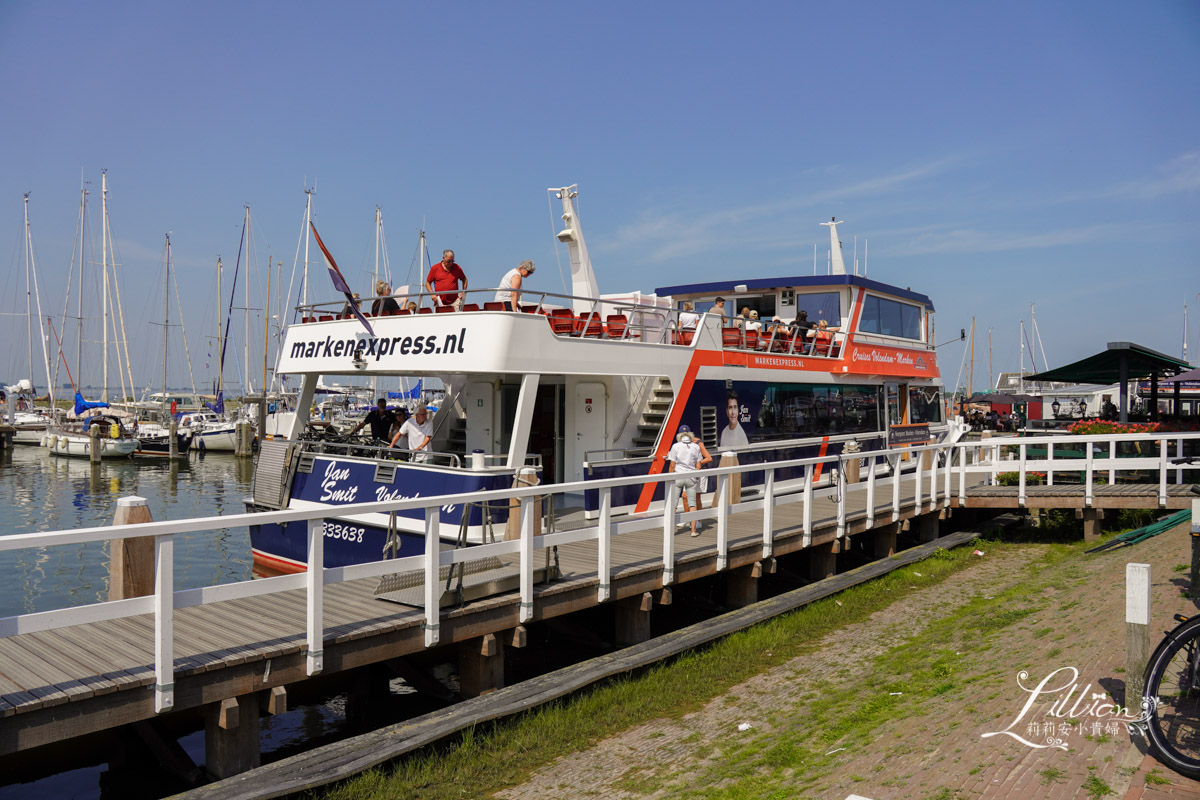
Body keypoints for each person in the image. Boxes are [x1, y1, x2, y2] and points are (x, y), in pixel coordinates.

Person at [666, 424, 712, 536]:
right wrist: (695, 477)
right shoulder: (695, 447)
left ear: (679, 435)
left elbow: (672, 465)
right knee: (692, 503)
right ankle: (693, 530)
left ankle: (670, 530)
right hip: (691, 478)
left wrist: (669, 477)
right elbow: (698, 465)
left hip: (678, 477)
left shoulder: (675, 446)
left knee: (673, 504)